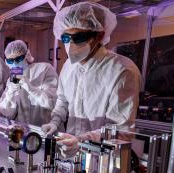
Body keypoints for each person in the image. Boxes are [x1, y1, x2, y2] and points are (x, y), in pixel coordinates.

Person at [41, 2, 141, 158]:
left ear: (99, 35)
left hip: (103, 160)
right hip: (71, 156)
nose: (71, 45)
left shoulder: (121, 71)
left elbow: (121, 130)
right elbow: (63, 100)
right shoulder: (68, 66)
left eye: (79, 37)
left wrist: (81, 141)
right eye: (66, 38)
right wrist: (55, 121)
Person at [0, 40, 58, 126]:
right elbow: (7, 113)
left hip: (45, 129)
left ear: (26, 55)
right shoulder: (12, 79)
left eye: (18, 59)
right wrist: (10, 93)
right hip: (24, 130)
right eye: (11, 61)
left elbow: (53, 103)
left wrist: (31, 89)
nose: (15, 63)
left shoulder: (44, 69)